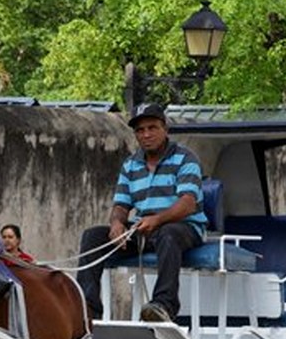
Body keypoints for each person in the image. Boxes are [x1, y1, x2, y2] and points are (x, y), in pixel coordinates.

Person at [76, 102, 206, 323]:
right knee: (93, 237)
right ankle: (86, 306)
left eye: (152, 128)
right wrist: (117, 224)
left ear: (165, 128)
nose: (146, 134)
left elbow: (187, 204)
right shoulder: (130, 165)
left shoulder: (185, 158)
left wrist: (157, 219)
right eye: (140, 130)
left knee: (169, 233)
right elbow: (121, 205)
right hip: (143, 229)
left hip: (183, 227)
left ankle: (163, 305)